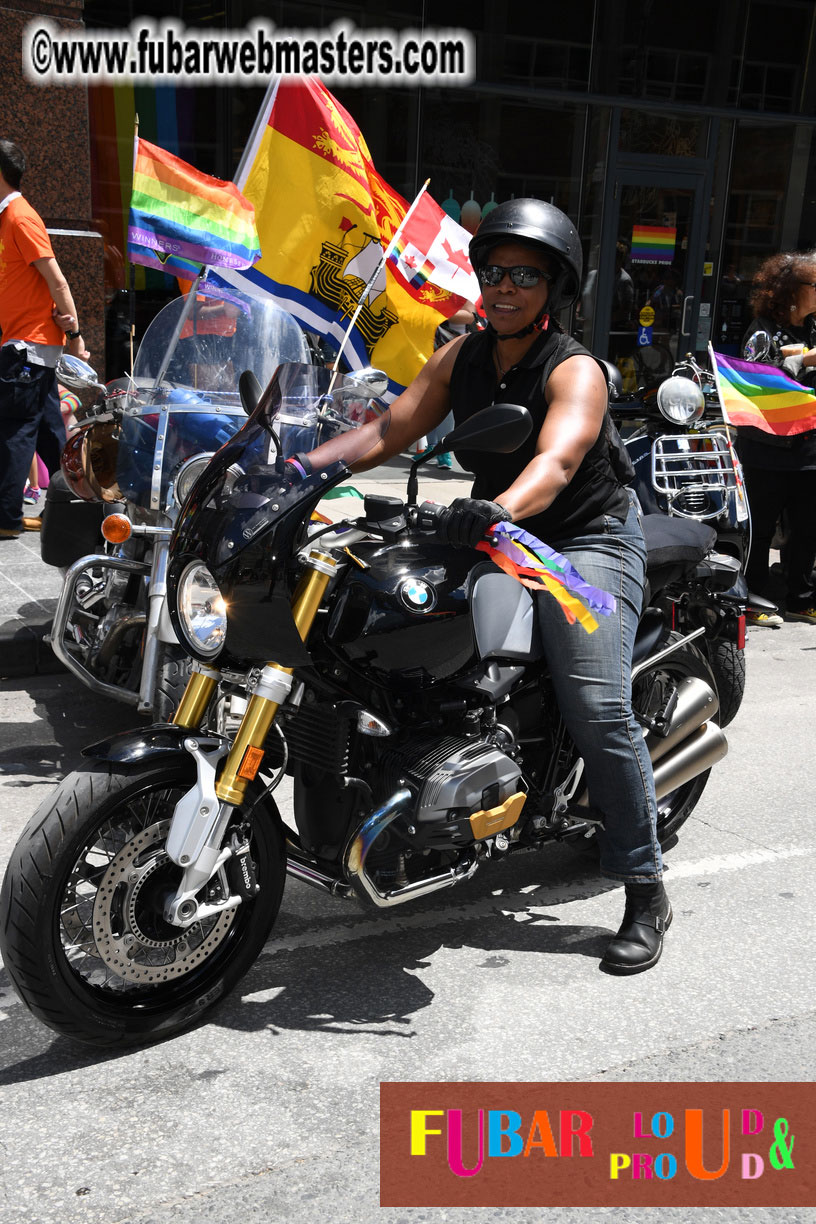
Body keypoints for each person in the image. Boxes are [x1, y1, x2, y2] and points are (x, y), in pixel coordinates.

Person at [302, 199, 669, 975]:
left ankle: (643, 882)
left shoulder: (575, 368)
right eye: (495, 271)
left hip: (576, 545)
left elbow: (557, 462)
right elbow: (387, 431)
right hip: (490, 530)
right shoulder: (461, 356)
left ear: (555, 286)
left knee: (596, 701)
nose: (505, 287)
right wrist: (292, 470)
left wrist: (497, 510)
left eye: (525, 276)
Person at [0, 139, 88, 539]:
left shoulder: (21, 217)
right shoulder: (7, 218)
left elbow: (57, 279)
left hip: (29, 345)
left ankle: (6, 518)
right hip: (24, 344)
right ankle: (81, 505)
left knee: (16, 428)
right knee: (51, 433)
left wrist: (76, 335)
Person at [739, 250, 816, 626]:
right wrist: (797, 363)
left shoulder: (814, 328)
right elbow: (757, 384)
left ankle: (800, 597)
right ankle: (753, 596)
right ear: (790, 290)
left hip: (809, 448)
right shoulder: (763, 329)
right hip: (767, 449)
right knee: (762, 525)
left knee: (806, 526)